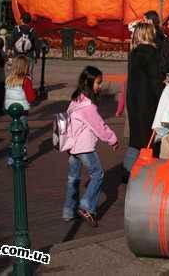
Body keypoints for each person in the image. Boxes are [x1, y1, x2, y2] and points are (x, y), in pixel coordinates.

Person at [62, 66, 119, 227]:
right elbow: (99, 126)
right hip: (84, 147)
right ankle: (86, 206)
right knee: (98, 174)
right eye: (98, 83)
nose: (99, 86)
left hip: (72, 147)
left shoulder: (76, 100)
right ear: (89, 83)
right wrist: (112, 139)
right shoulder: (88, 107)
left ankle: (68, 211)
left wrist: (68, 146)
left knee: (73, 178)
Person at [124, 23, 164, 180]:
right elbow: (154, 80)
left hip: (134, 99)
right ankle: (147, 175)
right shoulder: (151, 53)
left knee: (136, 139)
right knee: (149, 140)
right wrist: (163, 95)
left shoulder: (134, 52)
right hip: (148, 102)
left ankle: (127, 171)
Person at [4, 56, 37, 164]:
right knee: (21, 134)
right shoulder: (26, 80)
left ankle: (16, 156)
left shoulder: (9, 78)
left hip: (11, 108)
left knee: (16, 132)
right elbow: (31, 97)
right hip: (21, 110)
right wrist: (34, 94)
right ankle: (17, 156)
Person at [9, 13, 40, 79]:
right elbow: (37, 44)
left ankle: (17, 87)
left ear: (21, 20)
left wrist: (9, 50)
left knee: (16, 73)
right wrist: (37, 56)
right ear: (29, 21)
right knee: (28, 74)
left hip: (17, 55)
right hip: (29, 55)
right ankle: (27, 88)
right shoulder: (32, 31)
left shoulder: (16, 30)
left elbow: (11, 41)